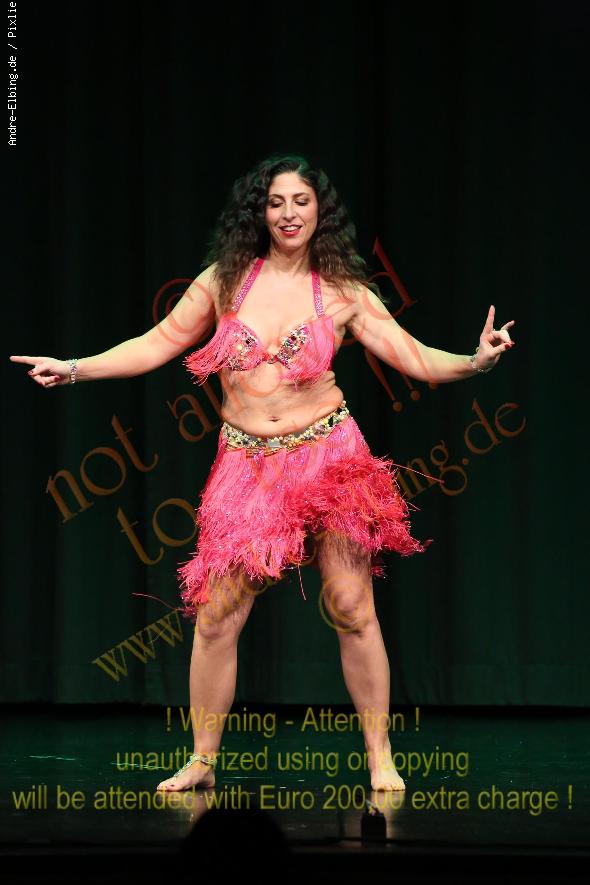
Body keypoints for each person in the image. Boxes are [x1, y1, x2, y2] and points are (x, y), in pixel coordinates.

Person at [9, 154, 515, 792]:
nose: (289, 214)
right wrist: (75, 367)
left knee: (352, 606)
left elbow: (413, 357)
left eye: (301, 201)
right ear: (260, 212)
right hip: (246, 464)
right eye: (276, 203)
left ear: (320, 211)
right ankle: (202, 760)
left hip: (330, 456)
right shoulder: (224, 282)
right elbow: (157, 342)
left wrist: (476, 362)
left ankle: (380, 755)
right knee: (217, 617)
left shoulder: (345, 291)